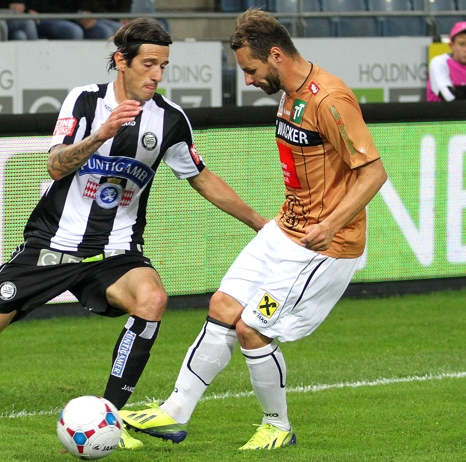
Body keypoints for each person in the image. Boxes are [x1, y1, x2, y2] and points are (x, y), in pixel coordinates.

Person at [0, 17, 267, 449]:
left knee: (152, 298)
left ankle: (112, 419)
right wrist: (103, 134)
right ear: (122, 61)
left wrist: (261, 225)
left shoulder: (171, 120)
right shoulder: (84, 101)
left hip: (115, 252)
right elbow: (55, 164)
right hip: (51, 245)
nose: (157, 75)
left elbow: (201, 176)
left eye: (164, 65)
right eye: (149, 64)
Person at [121, 8, 388, 451]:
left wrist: (330, 223)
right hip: (285, 229)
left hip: (323, 245)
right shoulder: (289, 93)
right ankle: (174, 411)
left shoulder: (330, 100)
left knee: (252, 327)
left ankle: (277, 426)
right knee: (223, 305)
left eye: (251, 69)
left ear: (277, 55)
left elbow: (373, 172)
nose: (247, 80)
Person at [427, 21, 466, 102]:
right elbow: (449, 96)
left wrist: (459, 91)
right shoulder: (439, 62)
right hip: (443, 113)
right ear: (452, 46)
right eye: (462, 44)